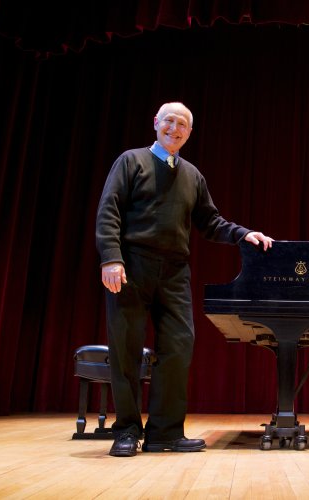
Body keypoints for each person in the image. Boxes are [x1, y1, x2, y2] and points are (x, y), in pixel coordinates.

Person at [96, 102, 273, 457]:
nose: (175, 129)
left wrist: (243, 234)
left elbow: (211, 221)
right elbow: (108, 210)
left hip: (175, 271)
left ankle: (164, 432)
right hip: (132, 265)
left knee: (179, 347)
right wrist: (111, 258)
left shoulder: (192, 175)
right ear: (156, 124)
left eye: (183, 125)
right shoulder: (130, 161)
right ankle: (127, 430)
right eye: (169, 122)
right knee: (126, 351)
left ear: (189, 134)